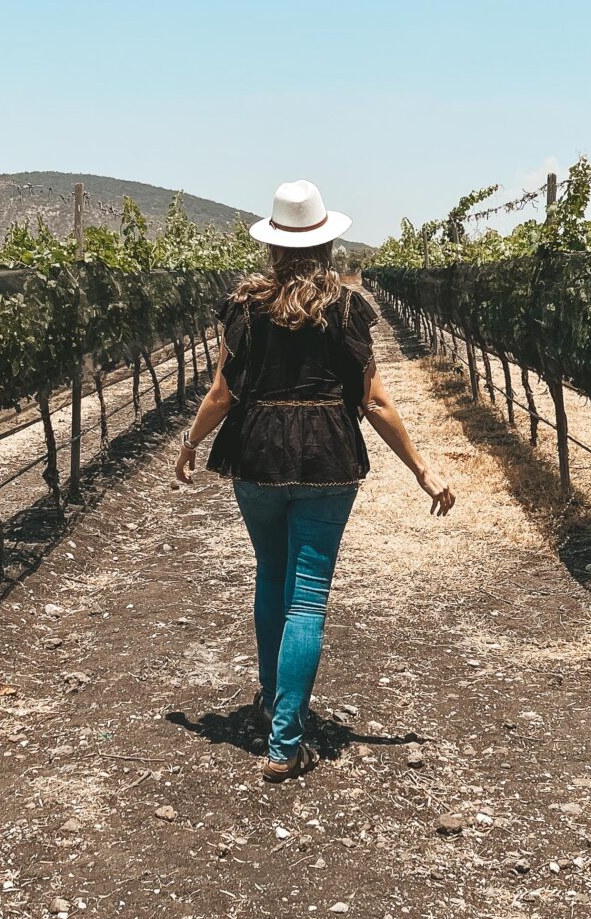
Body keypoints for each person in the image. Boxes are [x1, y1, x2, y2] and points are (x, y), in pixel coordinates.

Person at [175, 179, 456, 782]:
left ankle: (275, 703)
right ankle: (284, 742)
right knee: (307, 597)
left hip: (257, 459)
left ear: (273, 247)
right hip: (329, 459)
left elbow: (223, 394)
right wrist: (422, 470)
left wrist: (191, 443)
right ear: (327, 245)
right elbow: (374, 401)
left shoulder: (245, 309)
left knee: (270, 576)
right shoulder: (347, 310)